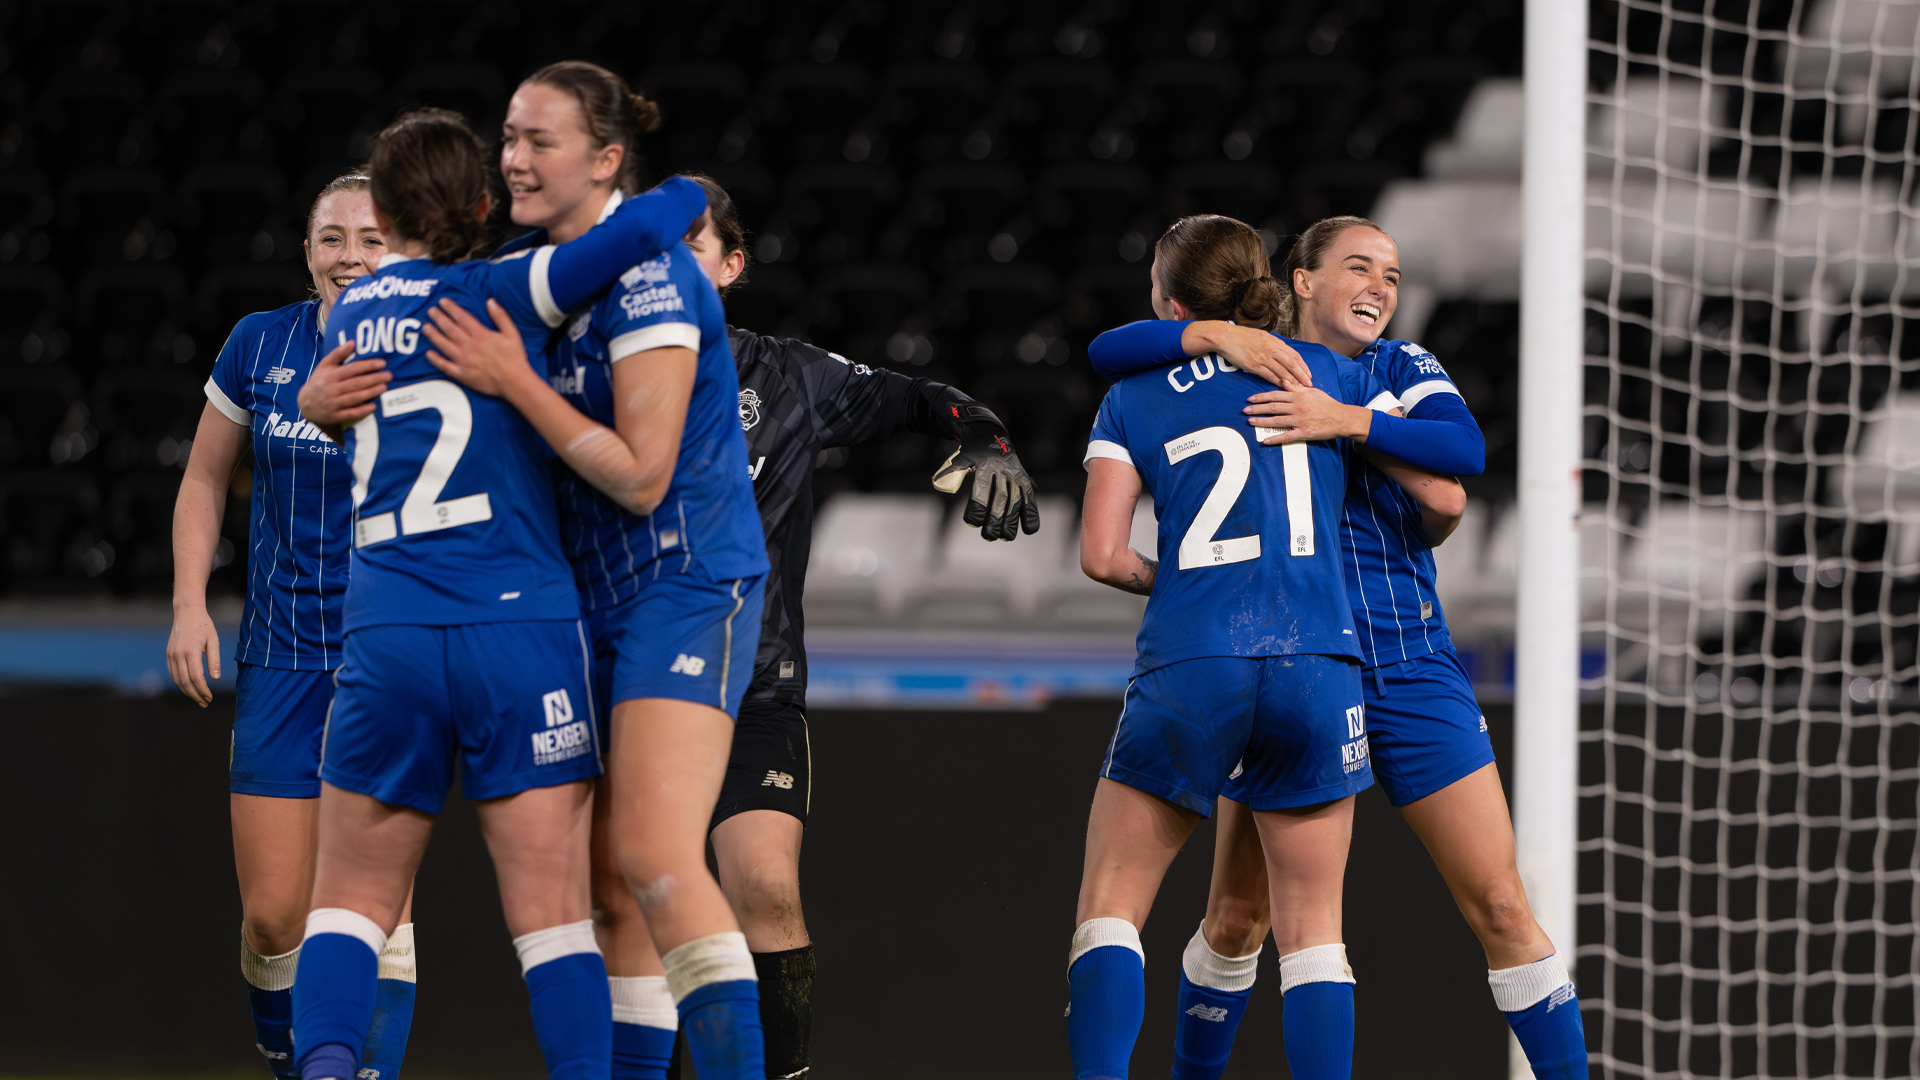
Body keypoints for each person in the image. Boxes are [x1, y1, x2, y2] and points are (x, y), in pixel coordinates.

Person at [1087, 216, 1588, 1080]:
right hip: (1300, 661)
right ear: (1302, 281)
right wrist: (1209, 333)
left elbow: (1461, 456)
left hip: (1406, 664)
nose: (1380, 290)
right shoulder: (1259, 362)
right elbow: (1117, 349)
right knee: (1239, 920)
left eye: (1392, 276)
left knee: (1504, 904)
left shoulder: (1395, 370)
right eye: (1359, 268)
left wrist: (1347, 421)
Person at [286, 108, 706, 1080]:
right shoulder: (505, 293)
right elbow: (641, 230)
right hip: (517, 630)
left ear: (383, 217)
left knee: (348, 901)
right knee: (554, 915)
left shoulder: (349, 316)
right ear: (482, 202)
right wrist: (681, 190)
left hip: (388, 627)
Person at [411, 63, 774, 1080]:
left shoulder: (656, 282)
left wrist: (516, 381)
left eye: (541, 140)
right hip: (588, 601)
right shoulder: (535, 270)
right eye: (510, 137)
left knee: (658, 859)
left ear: (605, 158)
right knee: (616, 888)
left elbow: (645, 477)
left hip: (686, 583)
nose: (514, 158)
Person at [166, 173, 418, 1080]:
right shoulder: (257, 344)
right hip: (278, 659)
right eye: (333, 238)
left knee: (376, 910)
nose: (351, 256)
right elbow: (201, 480)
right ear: (307, 251)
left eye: (372, 238)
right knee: (275, 918)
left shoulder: (431, 352)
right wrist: (190, 600)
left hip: (388, 663)